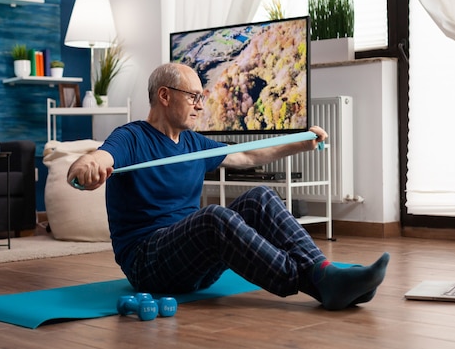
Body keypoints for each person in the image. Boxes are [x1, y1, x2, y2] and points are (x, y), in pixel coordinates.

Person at [67, 62, 389, 311]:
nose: (200, 105)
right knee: (214, 217)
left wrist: (301, 144)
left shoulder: (194, 143)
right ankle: (319, 282)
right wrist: (86, 168)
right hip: (148, 264)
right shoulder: (131, 137)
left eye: (201, 98)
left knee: (259, 197)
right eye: (193, 97)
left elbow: (247, 154)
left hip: (193, 261)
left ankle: (323, 271)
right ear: (164, 96)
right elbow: (93, 160)